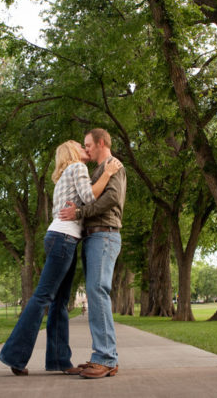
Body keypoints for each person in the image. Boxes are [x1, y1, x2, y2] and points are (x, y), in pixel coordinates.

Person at [0, 140, 122, 376]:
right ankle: (14, 355)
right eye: (80, 145)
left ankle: (59, 360)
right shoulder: (77, 168)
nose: (85, 148)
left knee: (59, 301)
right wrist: (107, 173)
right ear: (71, 152)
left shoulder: (67, 174)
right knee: (44, 296)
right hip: (63, 239)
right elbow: (89, 198)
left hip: (64, 239)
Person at [59, 128, 126, 379]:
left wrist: (79, 213)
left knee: (98, 291)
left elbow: (111, 199)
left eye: (88, 145)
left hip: (104, 234)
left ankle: (106, 357)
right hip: (93, 237)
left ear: (100, 143)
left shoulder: (113, 165)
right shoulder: (98, 170)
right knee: (95, 292)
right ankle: (103, 356)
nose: (86, 149)